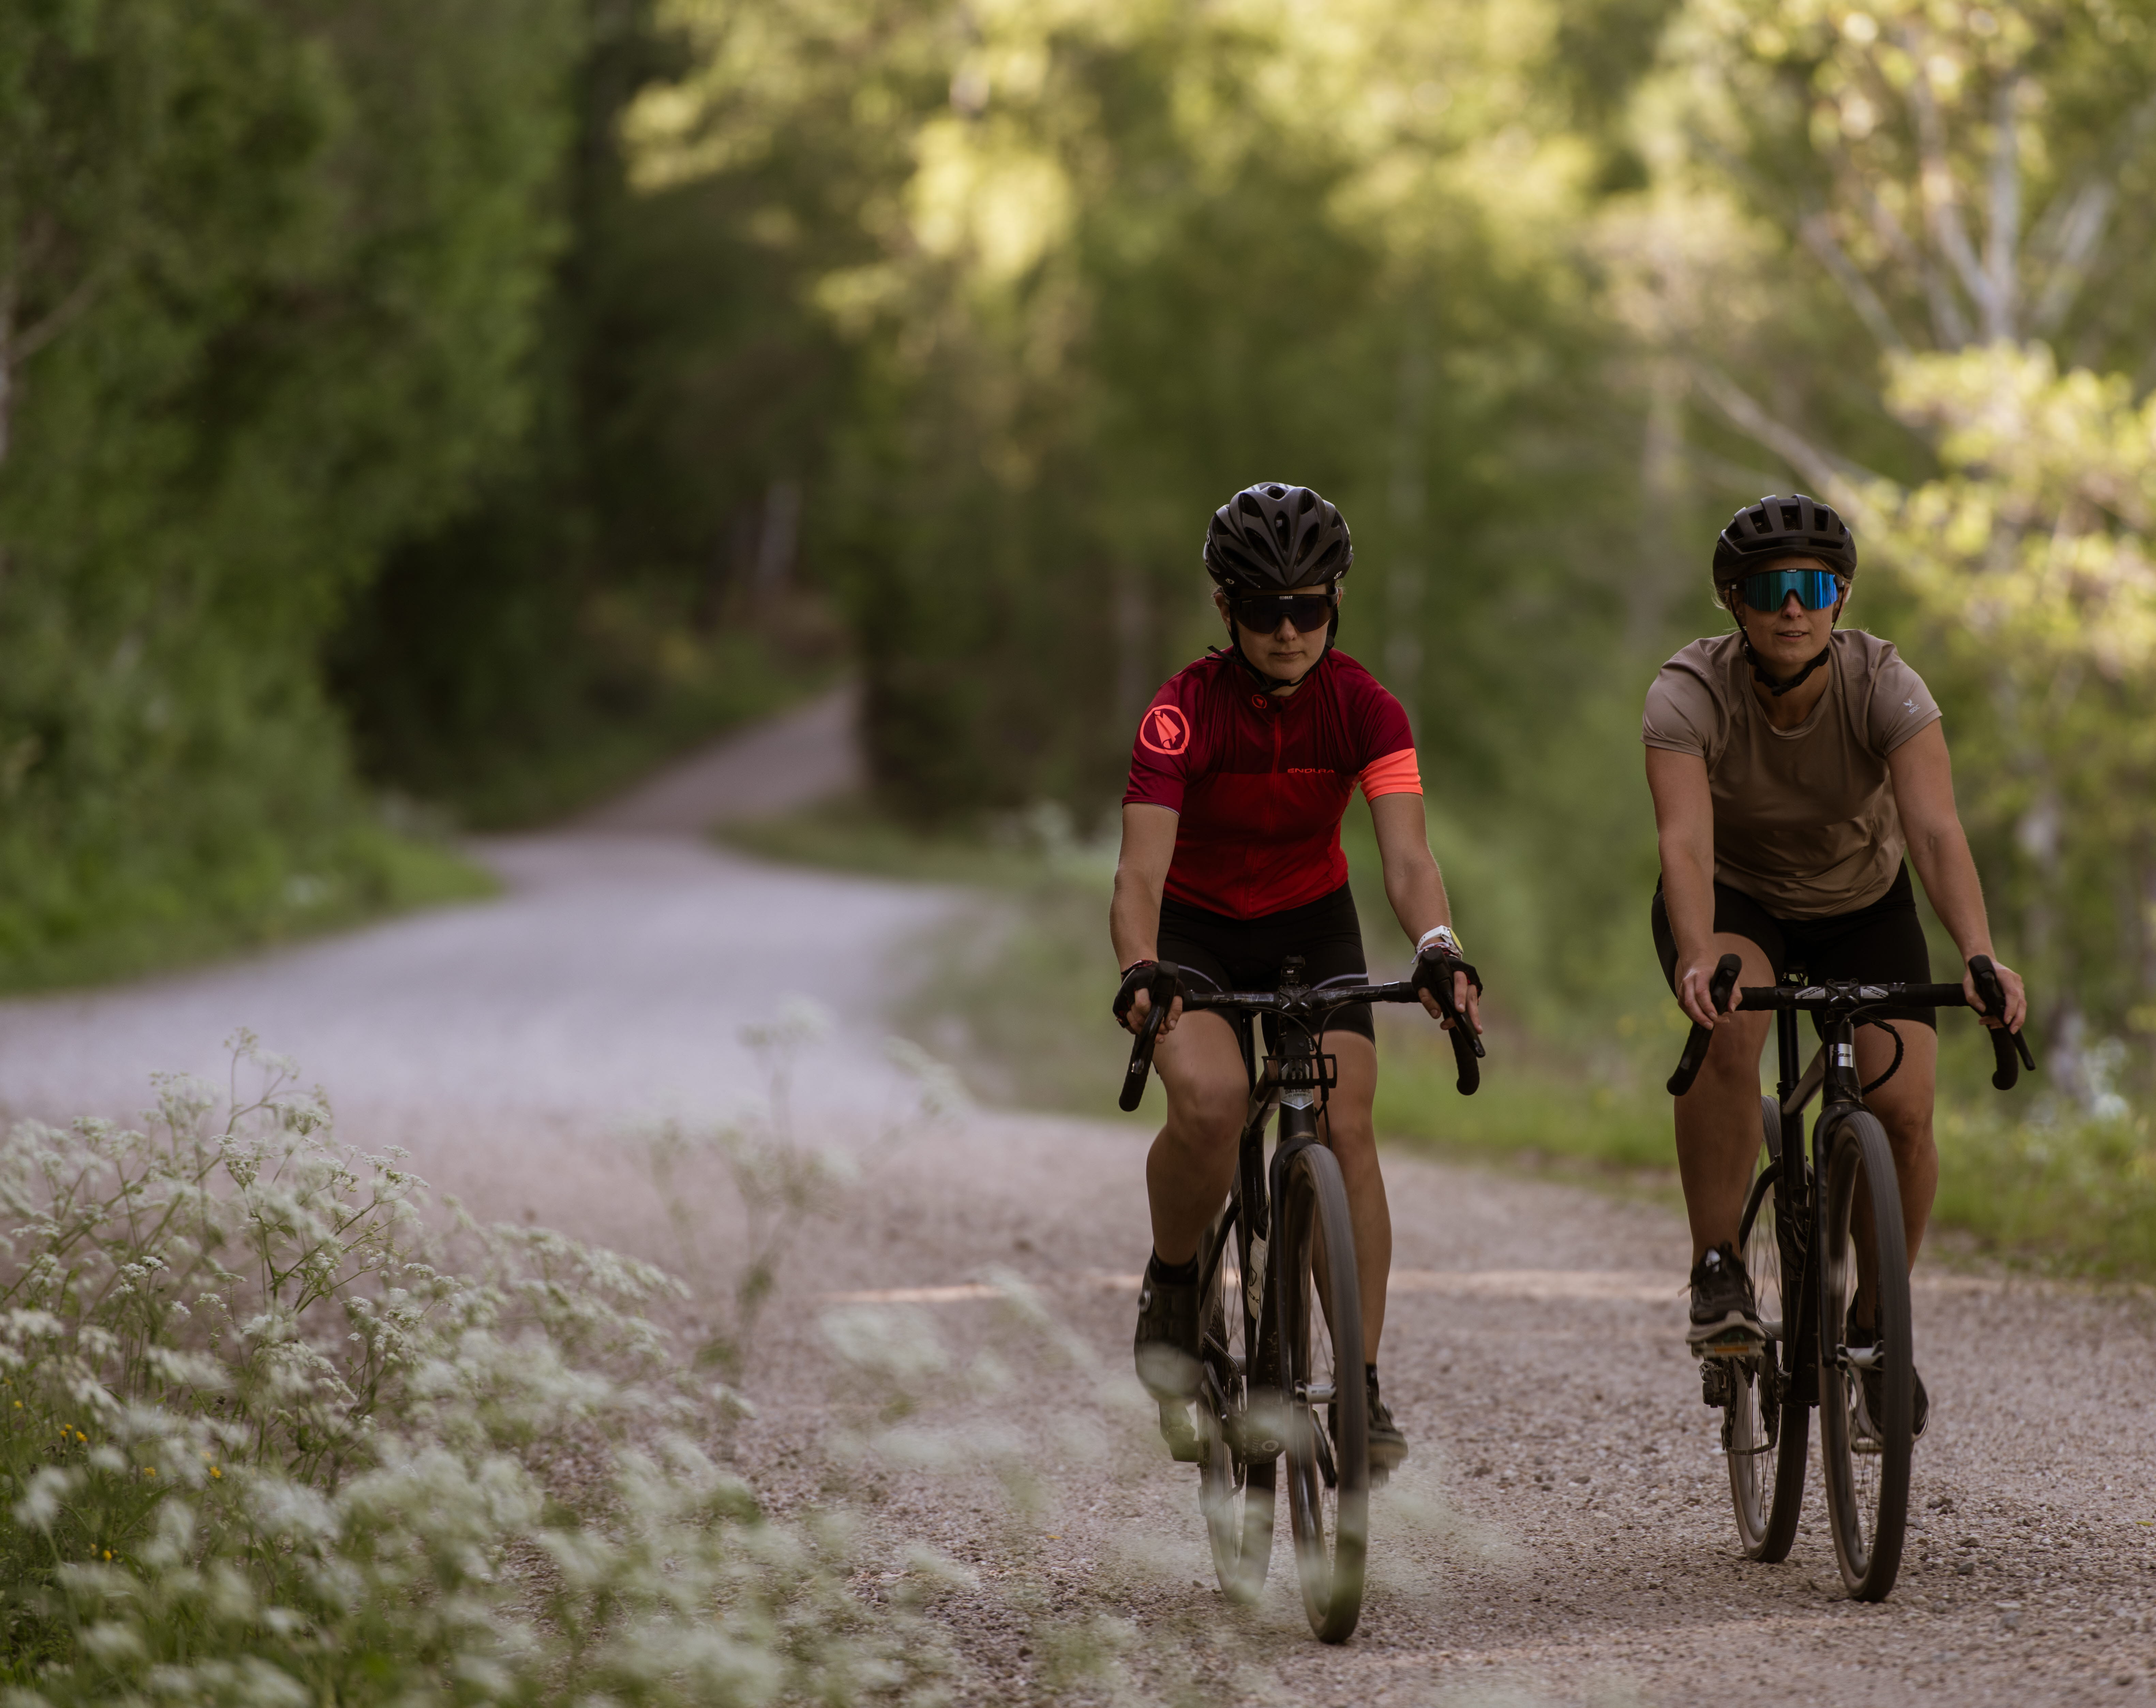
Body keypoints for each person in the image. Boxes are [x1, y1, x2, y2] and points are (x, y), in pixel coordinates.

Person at [1110, 480, 1482, 1474]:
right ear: (1226, 610)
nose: (1288, 631)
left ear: (1336, 604)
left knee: (1347, 1122)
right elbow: (1139, 873)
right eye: (1266, 610)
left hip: (1312, 924)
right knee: (1214, 1099)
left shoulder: (1367, 708)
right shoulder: (1180, 715)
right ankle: (1177, 1279)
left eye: (1308, 608)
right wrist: (1141, 966)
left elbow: (1406, 859)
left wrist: (1438, 942)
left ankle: (1357, 1385)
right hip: (1193, 927)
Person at [1642, 493, 2029, 1437]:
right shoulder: (1688, 692)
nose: (1792, 608)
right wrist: (1698, 954)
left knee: (1904, 1109)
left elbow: (1936, 832)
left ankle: (1874, 1328)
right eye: (1771, 589)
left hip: (1864, 900)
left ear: (1841, 596)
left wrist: (1979, 953)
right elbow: (1685, 843)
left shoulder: (1887, 685)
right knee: (1729, 1030)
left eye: (1813, 587)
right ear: (1736, 600)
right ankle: (1720, 1267)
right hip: (1737, 898)